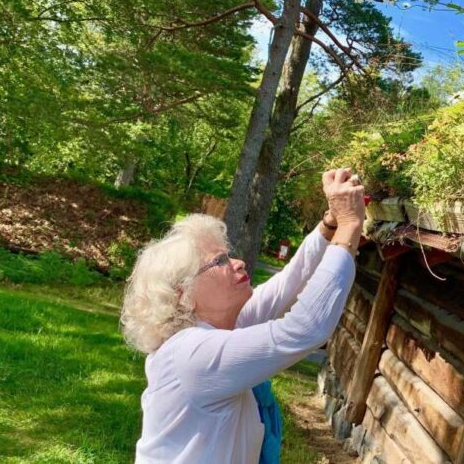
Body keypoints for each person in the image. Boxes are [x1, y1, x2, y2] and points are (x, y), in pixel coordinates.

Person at [120, 168, 365, 463]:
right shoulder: (192, 354)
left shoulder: (212, 330)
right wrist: (350, 225)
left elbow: (289, 281)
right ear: (183, 294)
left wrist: (329, 225)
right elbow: (305, 328)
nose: (237, 262)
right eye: (220, 261)